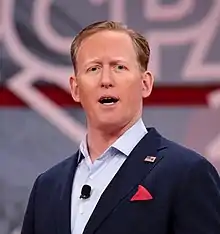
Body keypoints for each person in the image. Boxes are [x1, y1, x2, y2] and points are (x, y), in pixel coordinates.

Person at [21, 21, 220, 234]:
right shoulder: (47, 186)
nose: (106, 80)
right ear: (75, 88)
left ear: (145, 84)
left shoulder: (187, 173)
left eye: (119, 67)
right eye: (94, 68)